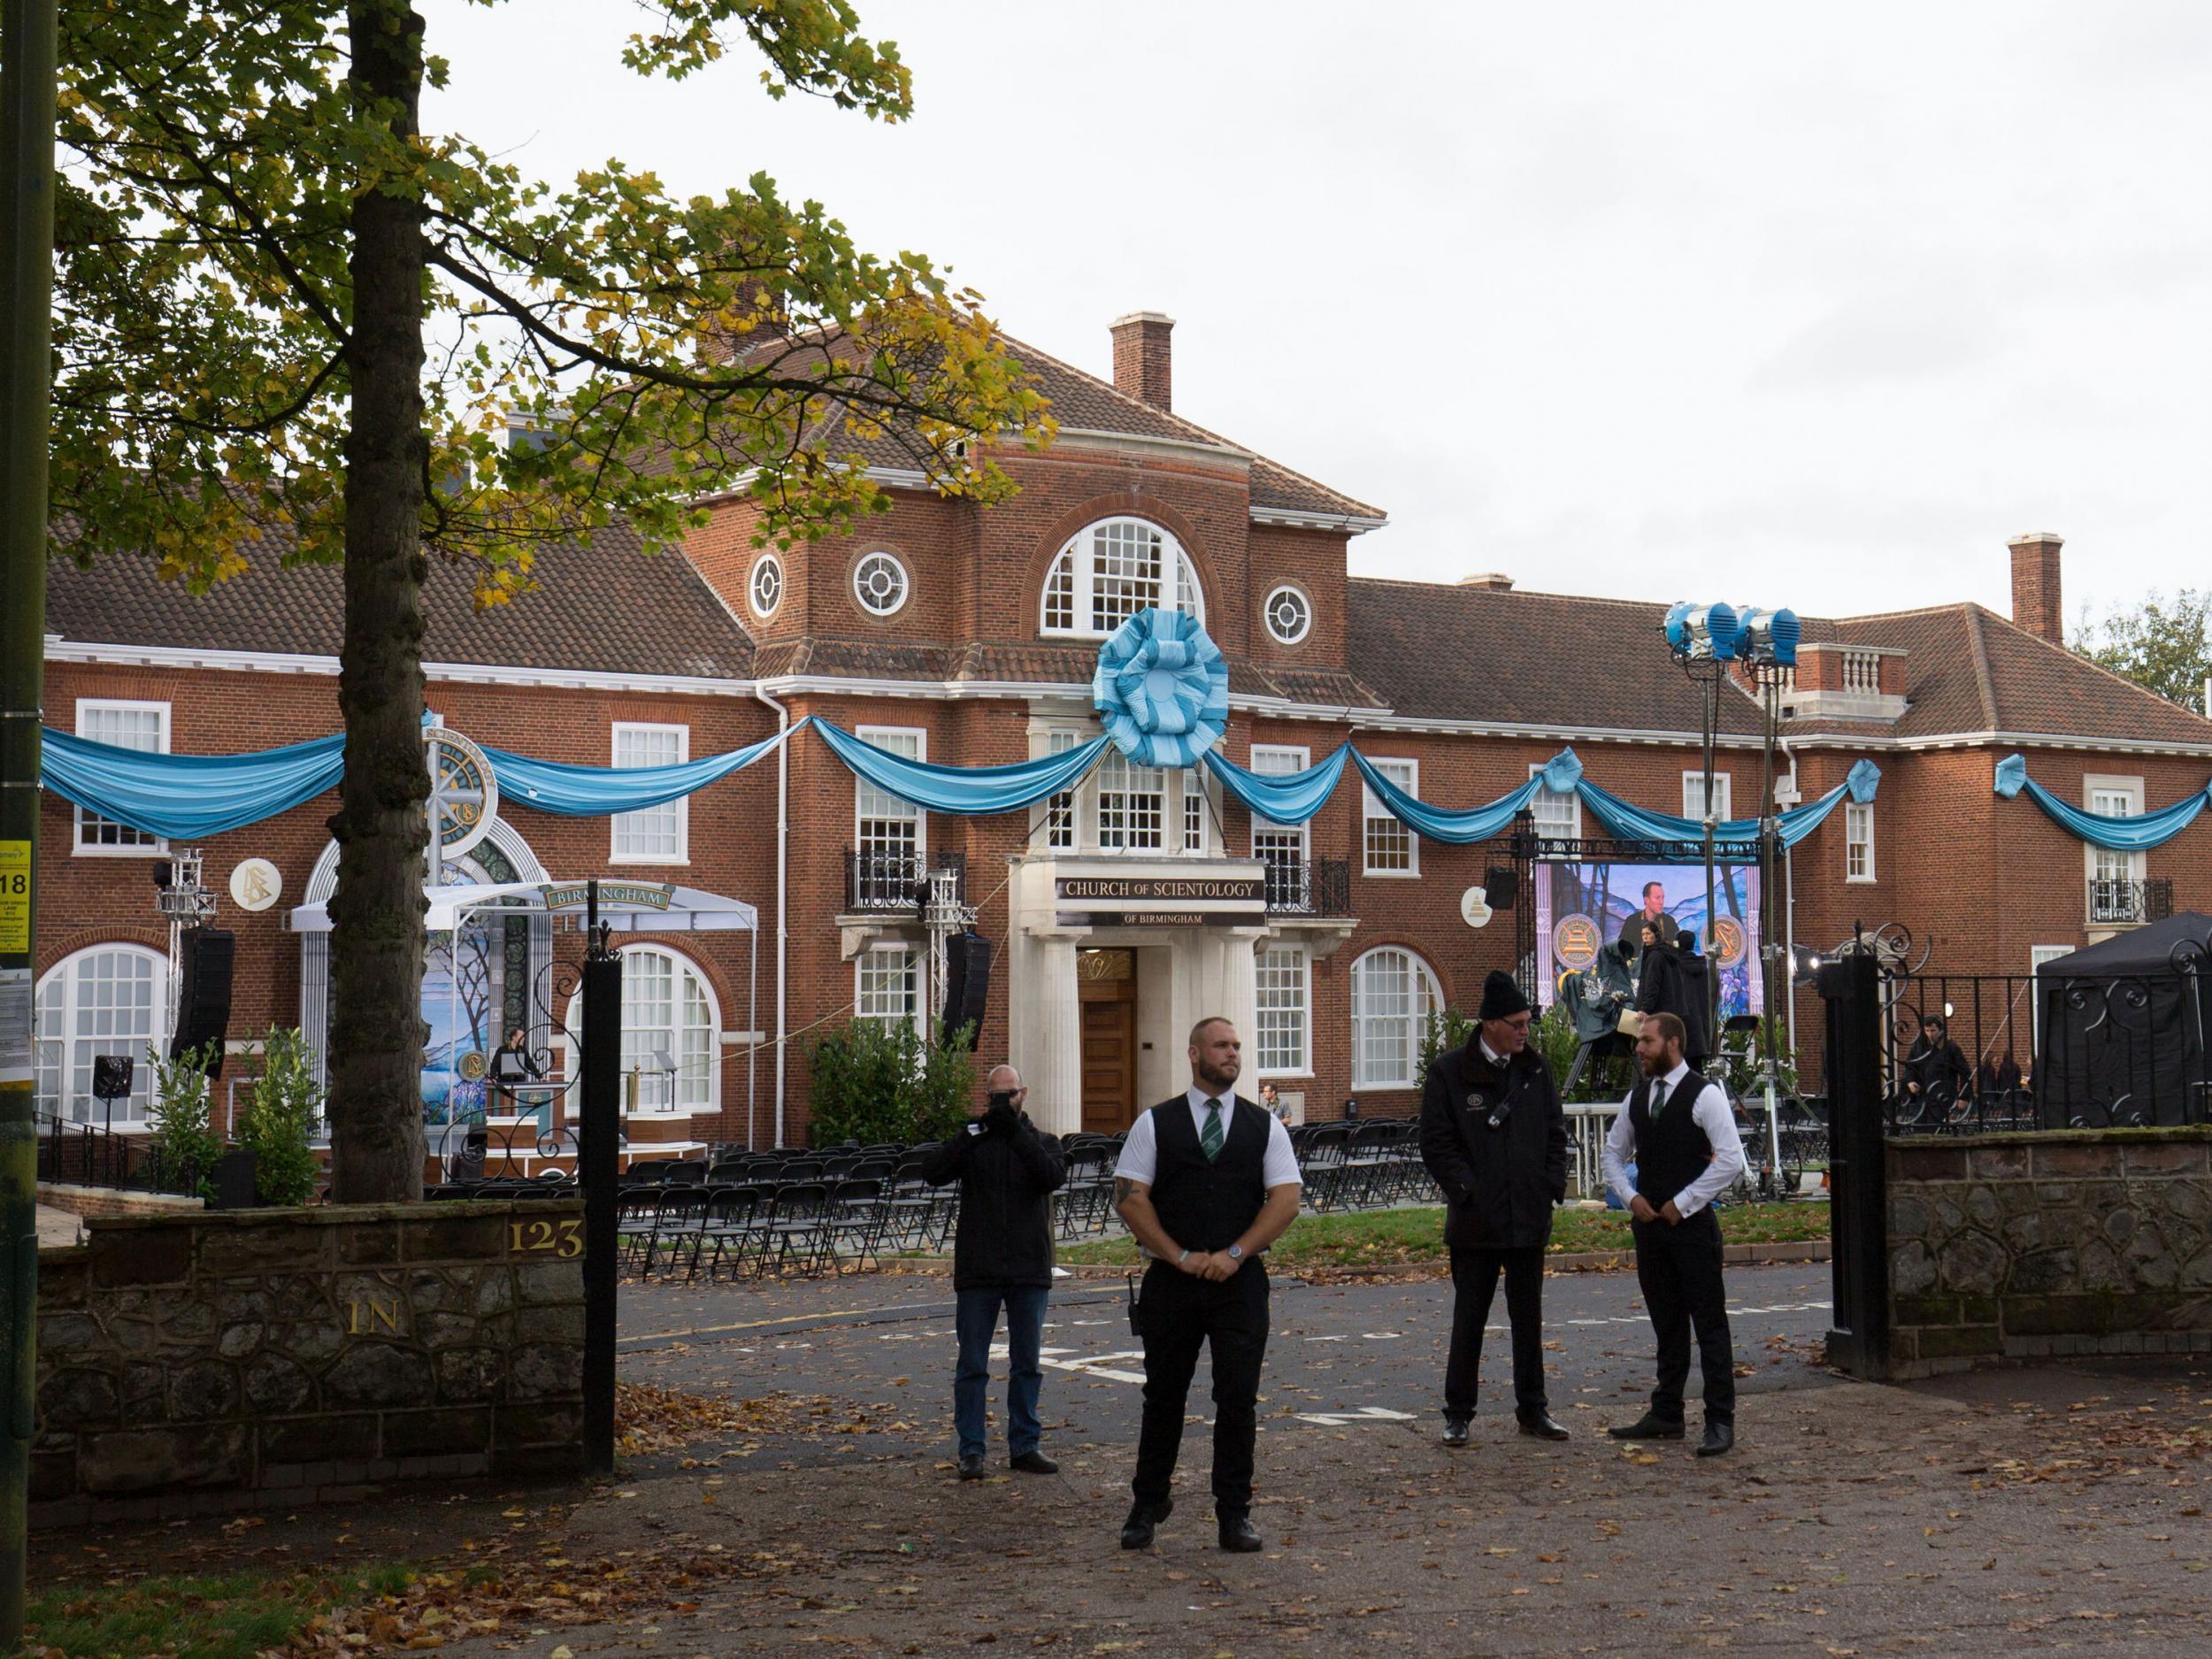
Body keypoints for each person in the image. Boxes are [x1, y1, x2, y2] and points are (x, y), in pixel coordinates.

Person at [1114, 1018, 1302, 1554]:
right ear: (1194, 1053)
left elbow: (1285, 1200)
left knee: (1238, 1399)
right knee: (1163, 1397)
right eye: (1222, 1046)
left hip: (1240, 1284)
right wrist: (1180, 1256)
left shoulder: (1265, 1126)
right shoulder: (1156, 1122)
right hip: (1171, 1285)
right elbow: (1130, 1197)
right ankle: (1147, 1504)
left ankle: (1234, 1513)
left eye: (1237, 1047)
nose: (1233, 1054)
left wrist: (1236, 1254)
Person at [1418, 970, 1571, 1447]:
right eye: (1517, 1023)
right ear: (1490, 1024)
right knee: (1470, 1320)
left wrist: (1549, 1186)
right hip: (1476, 1221)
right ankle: (1458, 1413)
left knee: (1529, 1321)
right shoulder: (1448, 1072)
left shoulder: (1536, 1070)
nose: (1526, 1031)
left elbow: (1554, 1133)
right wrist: (1467, 1190)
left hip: (1528, 1216)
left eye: (1529, 1022)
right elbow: (1436, 1143)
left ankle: (1534, 1410)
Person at [1601, 1010, 1747, 1457]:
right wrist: (1630, 1197)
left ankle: (1719, 1420)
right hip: (1649, 1229)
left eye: (1646, 1041)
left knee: (1710, 1325)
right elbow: (1611, 1153)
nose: (1639, 1048)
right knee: (1666, 1325)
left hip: (1693, 1230)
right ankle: (1667, 1413)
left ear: (1673, 1044)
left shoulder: (1705, 1095)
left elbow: (1731, 1161)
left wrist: (1682, 1204)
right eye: (1639, 1041)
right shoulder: (1638, 1096)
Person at [920, 1064, 1066, 1480]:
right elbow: (933, 1172)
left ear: (1025, 1094)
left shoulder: (1042, 1141)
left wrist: (1014, 1133)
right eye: (996, 1097)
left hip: (1028, 1267)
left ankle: (1025, 1444)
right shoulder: (975, 1140)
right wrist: (974, 1133)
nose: (1005, 1102)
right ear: (986, 1098)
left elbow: (1051, 1177)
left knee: (1027, 1363)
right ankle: (971, 1449)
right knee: (972, 1364)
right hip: (979, 1269)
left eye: (1011, 1095)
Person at [1636, 930, 1712, 1067]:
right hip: (1699, 1031)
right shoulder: (1702, 967)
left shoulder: (1673, 965)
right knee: (1695, 1075)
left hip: (1679, 1026)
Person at [1904, 1018, 1971, 1117]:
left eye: (1933, 1030)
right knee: (1920, 1129)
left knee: (1938, 1127)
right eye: (1927, 1030)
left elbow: (1965, 1072)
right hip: (1921, 1097)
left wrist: (1964, 1096)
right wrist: (1910, 1081)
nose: (1930, 1034)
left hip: (1943, 1097)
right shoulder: (1918, 1046)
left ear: (1940, 1030)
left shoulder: (1951, 1048)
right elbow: (1910, 1066)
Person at [489, 1026, 541, 1117]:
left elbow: (530, 1064)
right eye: (521, 1036)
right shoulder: (502, 1050)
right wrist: (493, 1078)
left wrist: (539, 1077)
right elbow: (495, 1065)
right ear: (514, 1037)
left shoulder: (523, 1050)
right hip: (505, 1083)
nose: (524, 1038)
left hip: (519, 1082)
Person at [1617, 881, 1678, 955]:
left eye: (1663, 898)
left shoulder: (1669, 921)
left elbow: (1677, 947)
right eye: (1657, 898)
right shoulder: (1632, 921)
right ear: (1646, 900)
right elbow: (1621, 949)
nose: (1661, 902)